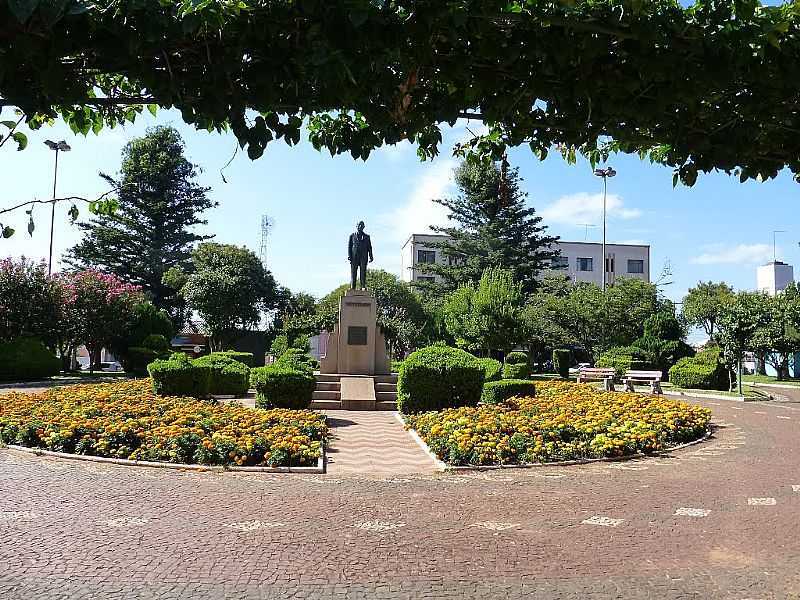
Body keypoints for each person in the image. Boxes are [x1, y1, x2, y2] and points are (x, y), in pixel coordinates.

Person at [348, 220, 373, 289]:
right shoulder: (352, 236)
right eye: (359, 225)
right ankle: (353, 286)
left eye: (362, 225)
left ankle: (363, 286)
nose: (360, 226)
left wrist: (371, 256)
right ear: (356, 226)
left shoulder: (367, 237)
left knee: (363, 272)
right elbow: (349, 247)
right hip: (354, 257)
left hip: (363, 257)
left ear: (364, 227)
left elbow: (369, 247)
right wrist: (349, 256)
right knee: (353, 272)